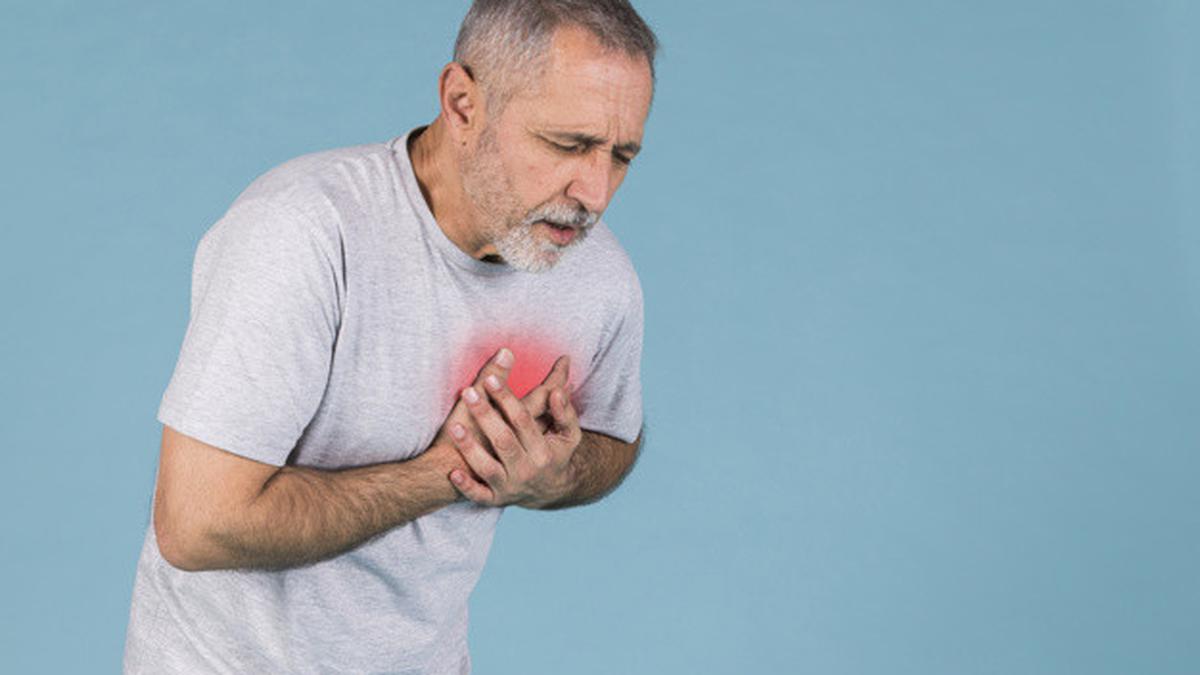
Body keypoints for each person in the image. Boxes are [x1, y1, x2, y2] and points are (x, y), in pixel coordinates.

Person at [122, 0, 657, 672]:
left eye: (622, 155)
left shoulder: (597, 274)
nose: (596, 191)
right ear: (462, 104)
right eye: (567, 144)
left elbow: (615, 438)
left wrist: (550, 474)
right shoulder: (304, 232)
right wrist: (448, 474)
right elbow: (197, 524)